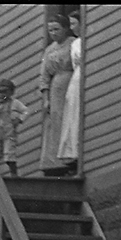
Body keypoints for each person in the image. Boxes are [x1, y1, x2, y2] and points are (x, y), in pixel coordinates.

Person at [37, 15, 76, 174]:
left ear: (65, 29)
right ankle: (55, 162)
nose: (53, 33)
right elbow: (44, 76)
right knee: (55, 120)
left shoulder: (73, 43)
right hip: (55, 87)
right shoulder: (49, 49)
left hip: (71, 81)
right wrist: (46, 98)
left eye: (56, 29)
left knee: (69, 118)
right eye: (50, 30)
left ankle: (70, 157)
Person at [0, 79, 29, 176]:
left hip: (9, 131)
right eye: (0, 92)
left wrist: (19, 119)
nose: (2, 94)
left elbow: (26, 111)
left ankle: (13, 173)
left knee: (9, 153)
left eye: (5, 92)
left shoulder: (15, 103)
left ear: (11, 92)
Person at [57, 11, 83, 175]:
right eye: (71, 24)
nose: (72, 28)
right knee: (72, 114)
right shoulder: (75, 43)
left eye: (74, 24)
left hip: (84, 76)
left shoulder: (87, 41)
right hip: (77, 77)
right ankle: (72, 154)